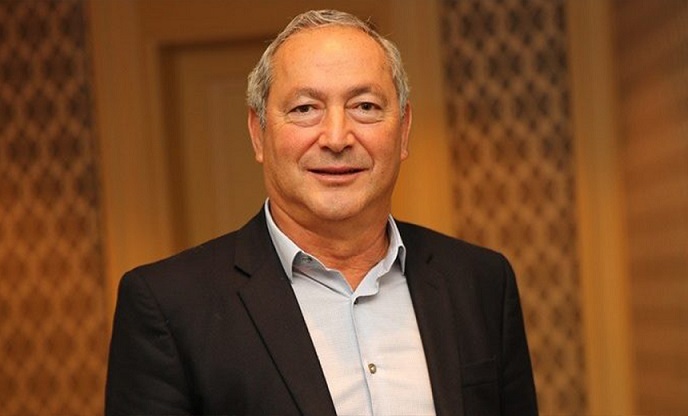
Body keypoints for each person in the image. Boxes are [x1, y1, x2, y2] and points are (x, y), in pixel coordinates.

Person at [105, 9, 538, 416]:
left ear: (403, 130)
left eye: (365, 106)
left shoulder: (480, 283)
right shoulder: (170, 306)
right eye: (305, 109)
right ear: (258, 133)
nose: (336, 137)